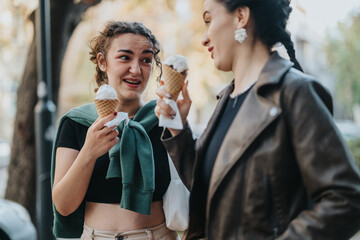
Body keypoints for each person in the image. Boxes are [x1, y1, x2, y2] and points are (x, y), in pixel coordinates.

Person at [155, 0, 360, 239]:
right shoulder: (226, 99)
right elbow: (213, 189)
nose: (204, 38)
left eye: (209, 21)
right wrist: (178, 131)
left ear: (241, 16)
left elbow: (346, 199)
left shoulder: (294, 92)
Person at [51, 21, 180, 240]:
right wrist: (89, 152)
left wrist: (179, 126)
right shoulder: (77, 123)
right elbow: (64, 206)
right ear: (103, 62)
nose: (136, 70)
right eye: (125, 57)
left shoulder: (166, 120)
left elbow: (196, 189)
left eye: (146, 60)